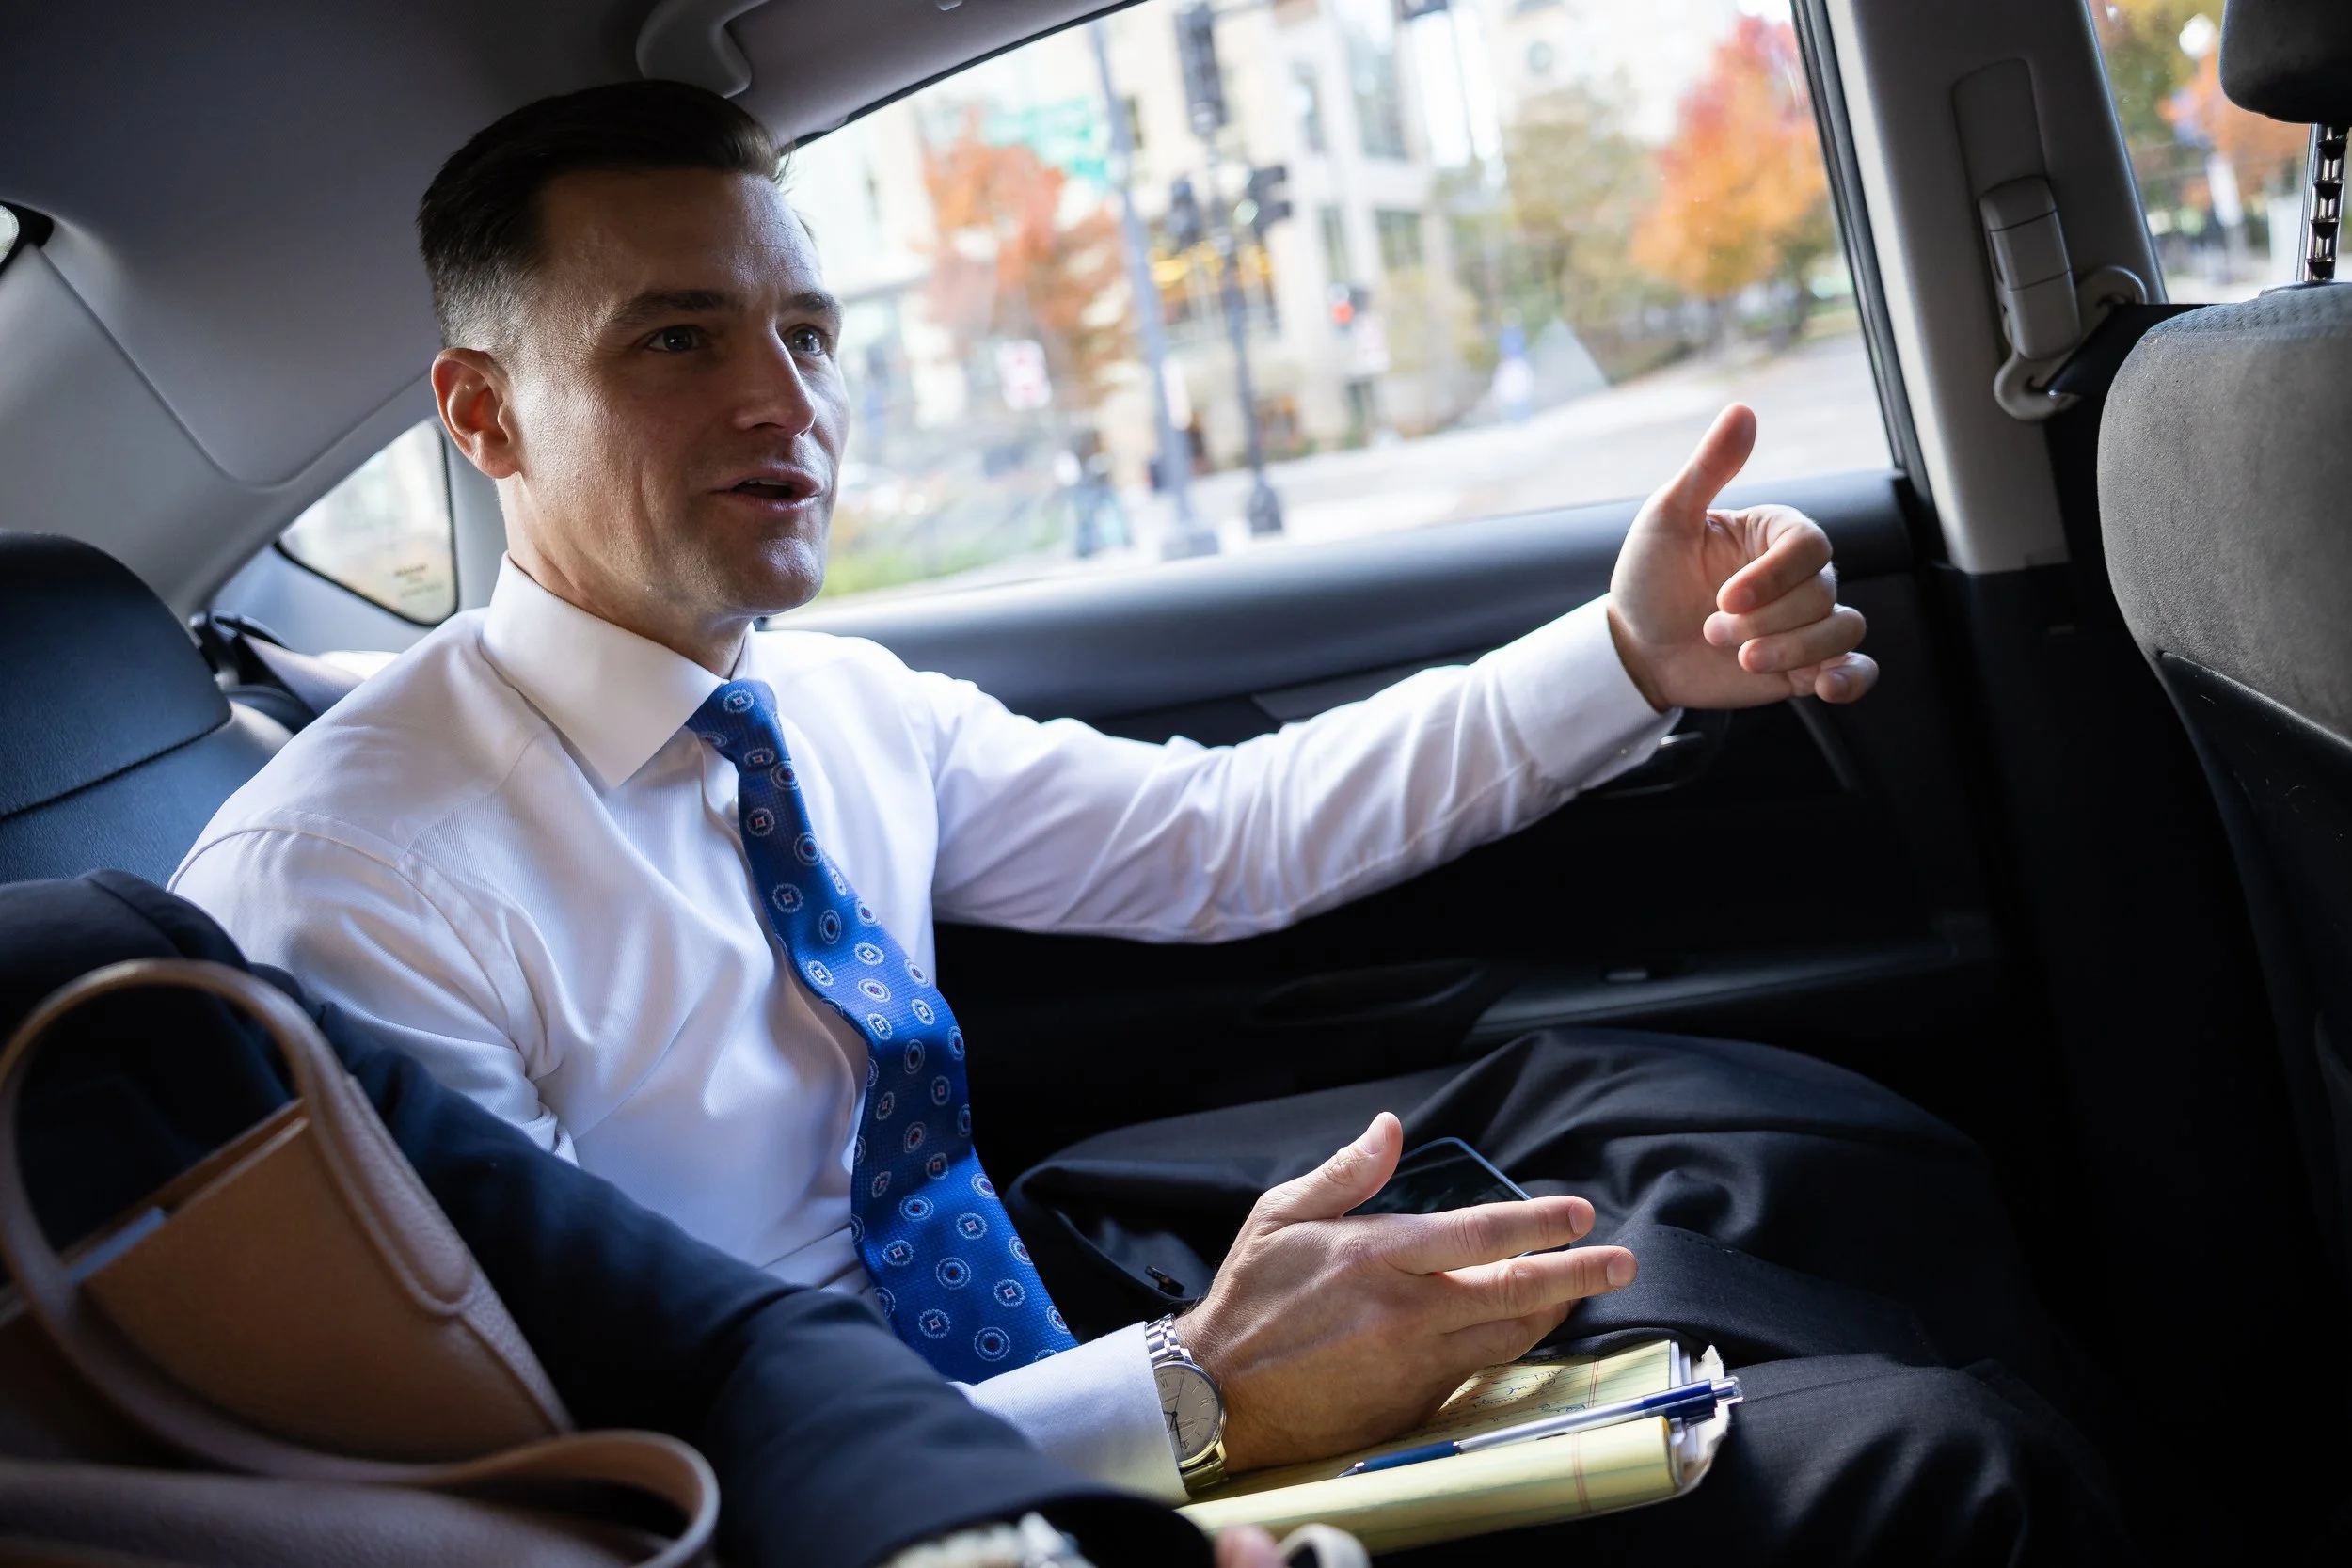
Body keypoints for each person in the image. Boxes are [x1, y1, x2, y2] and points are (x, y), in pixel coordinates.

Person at [173, 82, 2136, 1561]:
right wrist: (1191, 1395)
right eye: (677, 338)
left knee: (1777, 1178)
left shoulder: (827, 704)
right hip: (893, 1509)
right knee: (1940, 1464)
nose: (784, 401)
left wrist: (1629, 657)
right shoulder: (348, 887)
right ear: (483, 412)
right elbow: (572, 1463)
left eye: (811, 333)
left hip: (1040, 1364)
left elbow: (1226, 837)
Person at [0, 871, 1284, 1568]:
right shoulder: (350, 877)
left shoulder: (98, 991)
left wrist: (975, 1542)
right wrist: (1179, 1399)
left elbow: (712, 1348)